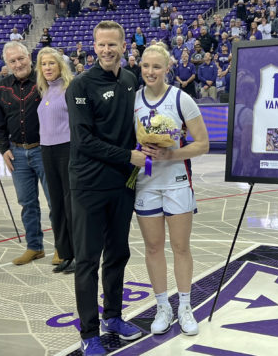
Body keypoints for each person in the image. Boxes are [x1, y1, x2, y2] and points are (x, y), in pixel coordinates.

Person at [66, 21, 145, 355]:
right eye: (101, 45)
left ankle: (113, 316)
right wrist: (128, 155)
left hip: (122, 184)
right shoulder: (80, 86)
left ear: (124, 45)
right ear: (93, 46)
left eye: (113, 44)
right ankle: (89, 333)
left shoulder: (130, 80)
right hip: (89, 185)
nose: (107, 50)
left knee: (118, 254)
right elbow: (84, 141)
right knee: (87, 261)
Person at [134, 44, 209, 336]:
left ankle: (185, 305)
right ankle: (162, 306)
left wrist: (171, 154)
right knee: (153, 247)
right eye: (145, 66)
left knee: (180, 247)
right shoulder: (133, 100)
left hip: (177, 182)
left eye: (156, 67)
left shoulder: (182, 99)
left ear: (167, 69)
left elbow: (202, 144)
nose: (150, 72)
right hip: (146, 183)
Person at [0, 41, 51, 266]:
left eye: (21, 58)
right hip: (17, 153)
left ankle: (64, 248)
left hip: (44, 150)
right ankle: (34, 247)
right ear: (7, 64)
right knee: (27, 203)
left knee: (55, 202)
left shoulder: (45, 80)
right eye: (12, 61)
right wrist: (4, 148)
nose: (18, 64)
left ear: (30, 56)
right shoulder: (1, 87)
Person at [35, 47, 75, 274]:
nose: (47, 67)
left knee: (70, 204)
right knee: (57, 205)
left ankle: (79, 254)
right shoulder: (45, 91)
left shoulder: (69, 88)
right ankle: (65, 253)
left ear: (60, 65)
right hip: (47, 150)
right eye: (43, 64)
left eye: (51, 63)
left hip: (66, 149)